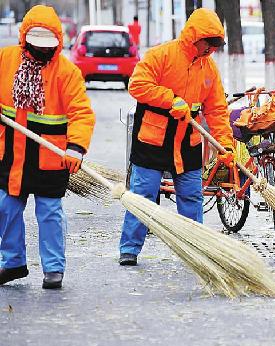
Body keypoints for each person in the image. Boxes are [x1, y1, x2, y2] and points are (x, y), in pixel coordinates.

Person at [119, 8, 234, 266]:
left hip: (187, 142)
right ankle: (129, 248)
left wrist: (224, 144)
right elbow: (137, 85)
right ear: (195, 36)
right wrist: (171, 99)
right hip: (153, 138)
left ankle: (195, 248)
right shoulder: (161, 55)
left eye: (216, 46)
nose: (211, 50)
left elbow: (216, 109)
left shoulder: (209, 69)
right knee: (143, 195)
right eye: (208, 43)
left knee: (192, 197)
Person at [0, 5, 95, 289]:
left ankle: (53, 268)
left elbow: (81, 113)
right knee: (6, 208)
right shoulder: (5, 60)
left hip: (51, 157)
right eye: (36, 47)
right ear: (24, 40)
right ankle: (13, 262)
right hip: (12, 155)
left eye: (47, 48)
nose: (42, 53)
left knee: (50, 211)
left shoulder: (66, 72)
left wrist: (76, 147)